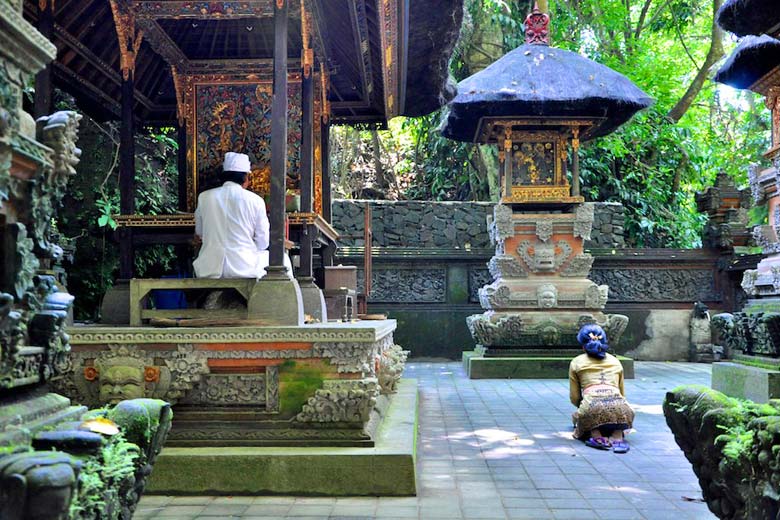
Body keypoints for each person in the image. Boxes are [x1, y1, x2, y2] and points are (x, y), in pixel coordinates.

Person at [193, 152, 290, 279]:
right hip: (244, 267)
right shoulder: (255, 201)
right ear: (246, 178)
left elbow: (200, 233)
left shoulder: (204, 197)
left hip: (209, 268)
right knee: (284, 260)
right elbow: (263, 242)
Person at [569, 324, 634, 453]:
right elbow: (621, 392)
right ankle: (617, 436)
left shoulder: (577, 362)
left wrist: (582, 409)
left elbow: (575, 397)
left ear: (583, 345)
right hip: (623, 410)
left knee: (585, 414)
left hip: (591, 407)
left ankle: (597, 436)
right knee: (618, 411)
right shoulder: (615, 361)